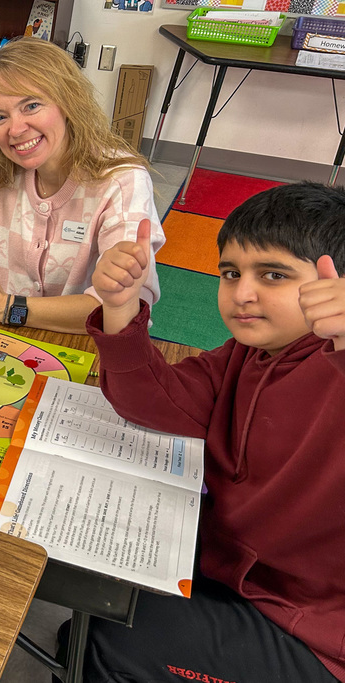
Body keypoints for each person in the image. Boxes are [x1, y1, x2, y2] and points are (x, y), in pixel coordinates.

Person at [79, 182, 345, 682]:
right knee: (96, 588)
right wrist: (119, 305)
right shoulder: (246, 353)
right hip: (232, 569)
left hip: (311, 629)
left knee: (114, 635)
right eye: (230, 273)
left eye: (274, 275)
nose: (242, 293)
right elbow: (154, 401)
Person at [0, 38, 165, 334]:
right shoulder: (1, 177)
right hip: (10, 344)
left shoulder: (122, 180)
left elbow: (125, 312)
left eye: (31, 105)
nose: (15, 129)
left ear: (68, 101)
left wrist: (8, 309)